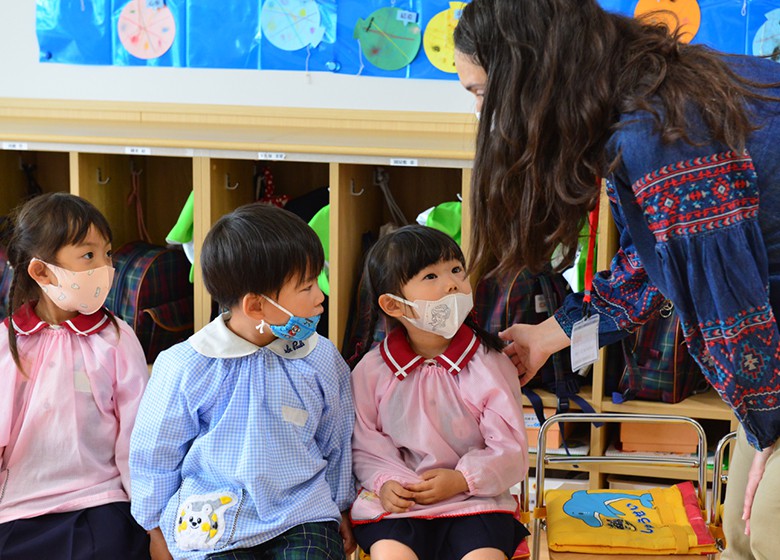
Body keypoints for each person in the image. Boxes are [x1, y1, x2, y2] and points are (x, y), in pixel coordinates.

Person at [453, 1, 780, 558]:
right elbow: (654, 266)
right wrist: (549, 335)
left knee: (765, 528)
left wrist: (766, 428)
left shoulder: (660, 134)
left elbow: (731, 314)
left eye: (482, 94)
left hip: (763, 345)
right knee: (745, 535)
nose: (482, 116)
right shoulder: (643, 95)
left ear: (530, 79)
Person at [129, 203, 356, 560]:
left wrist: (343, 506)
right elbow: (155, 454)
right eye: (307, 286)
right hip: (211, 519)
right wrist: (154, 527)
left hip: (301, 515)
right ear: (255, 306)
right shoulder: (186, 366)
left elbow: (337, 438)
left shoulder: (319, 357)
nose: (320, 296)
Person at [349, 224, 529, 560]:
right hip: (400, 504)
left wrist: (463, 479)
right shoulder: (371, 371)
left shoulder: (490, 364)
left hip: (476, 502)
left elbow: (511, 448)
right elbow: (365, 444)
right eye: (430, 276)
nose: (452, 283)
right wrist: (387, 483)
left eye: (456, 270)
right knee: (392, 555)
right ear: (393, 305)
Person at [0, 192, 150, 559]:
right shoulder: (7, 341)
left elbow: (137, 439)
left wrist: (150, 519)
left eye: (107, 254)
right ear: (40, 271)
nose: (105, 267)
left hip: (101, 499)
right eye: (88, 255)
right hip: (19, 507)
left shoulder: (116, 337)